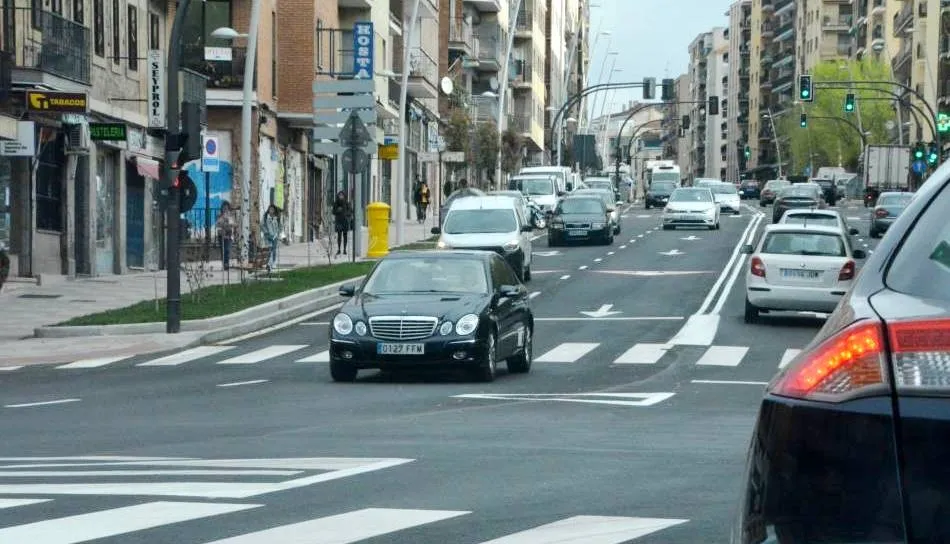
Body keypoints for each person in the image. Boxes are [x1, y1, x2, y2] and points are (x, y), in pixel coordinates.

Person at [215, 201, 236, 270]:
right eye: (224, 208)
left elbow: (234, 224)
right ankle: (224, 265)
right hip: (222, 235)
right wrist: (223, 221)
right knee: (223, 250)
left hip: (229, 235)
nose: (225, 209)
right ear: (222, 208)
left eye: (227, 208)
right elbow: (217, 224)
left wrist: (230, 224)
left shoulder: (231, 215)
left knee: (227, 250)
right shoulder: (219, 215)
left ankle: (226, 264)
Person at [332, 191, 353, 256]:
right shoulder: (336, 203)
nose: (341, 197)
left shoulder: (347, 203)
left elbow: (350, 211)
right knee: (339, 235)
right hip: (338, 221)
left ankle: (344, 249)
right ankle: (339, 249)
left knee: (345, 235)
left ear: (344, 196)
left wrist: (346, 213)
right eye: (340, 195)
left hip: (345, 221)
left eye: (342, 195)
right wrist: (338, 210)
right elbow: (333, 211)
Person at [261, 204, 281, 271]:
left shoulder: (277, 217)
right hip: (268, 236)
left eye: (272, 209)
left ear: (274, 210)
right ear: (268, 210)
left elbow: (280, 226)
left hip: (275, 236)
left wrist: (278, 233)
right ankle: (268, 263)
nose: (271, 211)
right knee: (269, 249)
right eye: (270, 209)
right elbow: (262, 225)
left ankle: (274, 262)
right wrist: (266, 232)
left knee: (274, 249)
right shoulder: (265, 217)